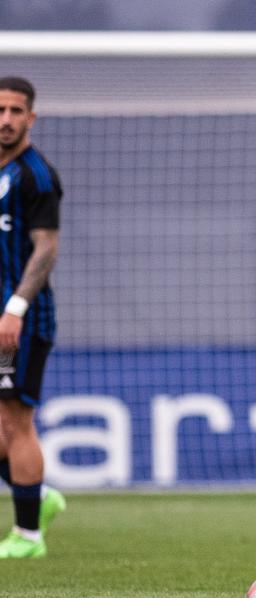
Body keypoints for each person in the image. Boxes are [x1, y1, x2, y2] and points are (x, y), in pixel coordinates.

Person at [0, 76, 67, 559]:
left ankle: (28, 535)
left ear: (32, 118)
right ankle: (38, 498)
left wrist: (15, 308)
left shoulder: (36, 176)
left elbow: (46, 249)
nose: (5, 120)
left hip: (20, 321)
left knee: (15, 422)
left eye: (15, 111)